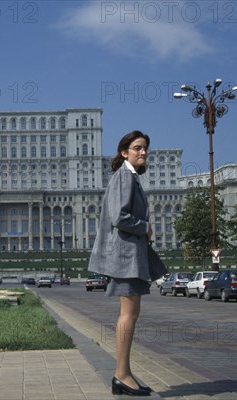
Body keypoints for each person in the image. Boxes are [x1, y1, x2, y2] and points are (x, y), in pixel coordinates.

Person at [88, 130, 155, 396]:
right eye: (138, 148)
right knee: (128, 314)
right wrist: (146, 228)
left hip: (130, 254)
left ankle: (125, 373)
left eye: (146, 148)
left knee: (132, 314)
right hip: (125, 255)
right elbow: (119, 217)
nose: (143, 152)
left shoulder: (130, 178)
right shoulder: (124, 177)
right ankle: (121, 374)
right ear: (124, 152)